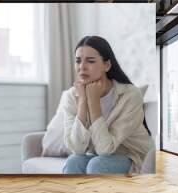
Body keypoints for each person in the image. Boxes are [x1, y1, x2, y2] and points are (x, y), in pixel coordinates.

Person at [62, 36, 155, 175]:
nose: (82, 67)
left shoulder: (130, 95)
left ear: (107, 65)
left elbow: (105, 149)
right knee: (73, 162)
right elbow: (77, 149)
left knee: (98, 164)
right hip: (100, 156)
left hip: (131, 156)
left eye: (90, 61)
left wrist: (93, 102)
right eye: (78, 61)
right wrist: (83, 101)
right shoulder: (72, 96)